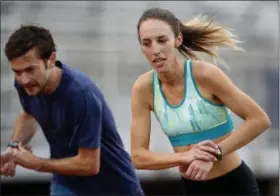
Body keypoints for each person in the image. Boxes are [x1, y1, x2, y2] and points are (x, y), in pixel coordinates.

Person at [130, 8, 271, 196]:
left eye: (162, 40)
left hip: (235, 186)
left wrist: (214, 154)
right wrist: (185, 157)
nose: (155, 50)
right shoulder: (143, 88)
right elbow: (138, 157)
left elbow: (259, 120)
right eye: (147, 43)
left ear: (177, 40)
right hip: (193, 188)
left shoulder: (205, 75)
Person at [1, 25, 144, 196]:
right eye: (17, 72)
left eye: (30, 69)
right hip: (67, 185)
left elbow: (89, 164)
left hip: (114, 188)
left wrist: (36, 163)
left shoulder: (81, 94)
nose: (23, 80)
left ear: (51, 59)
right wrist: (14, 147)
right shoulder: (27, 85)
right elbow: (29, 113)